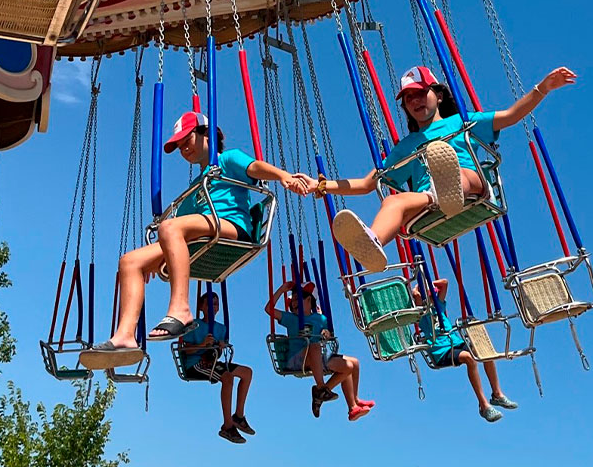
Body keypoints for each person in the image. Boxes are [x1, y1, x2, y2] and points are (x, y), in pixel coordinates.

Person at [81, 111, 312, 369]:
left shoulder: (226, 160)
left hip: (233, 227)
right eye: (179, 146)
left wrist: (282, 176)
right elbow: (177, 231)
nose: (184, 148)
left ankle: (181, 308)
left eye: (187, 139)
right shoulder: (195, 187)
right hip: (205, 231)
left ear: (206, 135)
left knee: (169, 228)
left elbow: (254, 168)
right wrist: (157, 256)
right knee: (130, 261)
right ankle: (125, 335)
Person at [318, 65, 578, 271]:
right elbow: (367, 184)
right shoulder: (406, 146)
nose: (415, 101)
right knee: (392, 203)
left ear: (438, 95)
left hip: (470, 186)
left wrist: (543, 88)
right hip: (427, 202)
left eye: (420, 93)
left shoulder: (461, 122)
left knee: (459, 172)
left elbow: (510, 116)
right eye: (409, 98)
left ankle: (445, 188)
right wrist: (321, 185)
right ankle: (373, 242)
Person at [264, 280, 374, 421]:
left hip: (317, 358)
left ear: (309, 299)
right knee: (315, 346)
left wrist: (326, 333)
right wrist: (281, 289)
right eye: (292, 301)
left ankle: (353, 403)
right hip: (298, 360)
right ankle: (321, 388)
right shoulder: (291, 318)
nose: (293, 303)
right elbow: (268, 309)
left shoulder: (320, 318)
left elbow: (326, 331)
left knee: (353, 364)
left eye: (298, 299)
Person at [413, 278, 518, 422]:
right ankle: (483, 405)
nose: (432, 297)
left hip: (455, 342)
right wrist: (420, 285)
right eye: (430, 296)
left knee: (484, 350)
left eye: (433, 295)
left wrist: (430, 285)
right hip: (442, 351)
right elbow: (415, 294)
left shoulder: (439, 306)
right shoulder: (421, 313)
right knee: (469, 358)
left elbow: (445, 283)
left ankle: (497, 394)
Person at [174, 291, 255, 443]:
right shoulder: (193, 326)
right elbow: (186, 350)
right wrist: (203, 344)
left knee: (247, 373)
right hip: (195, 363)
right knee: (227, 377)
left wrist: (220, 346)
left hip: (211, 362)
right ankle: (227, 426)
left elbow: (216, 353)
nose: (213, 307)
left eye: (216, 304)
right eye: (209, 304)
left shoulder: (221, 329)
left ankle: (238, 415)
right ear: (202, 307)